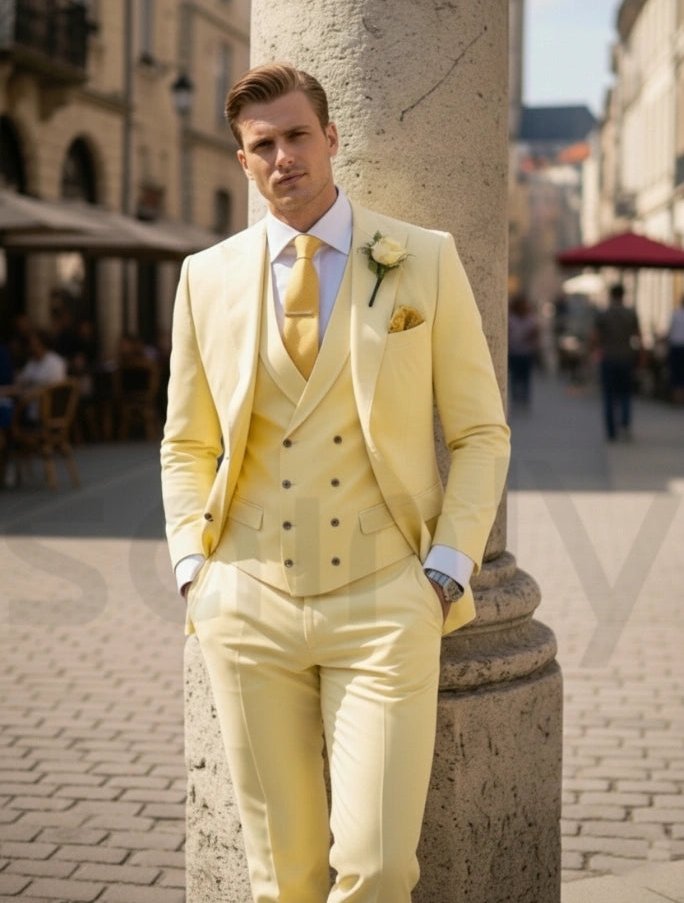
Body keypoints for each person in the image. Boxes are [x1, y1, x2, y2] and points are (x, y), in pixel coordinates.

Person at [160, 63, 511, 903]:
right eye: (263, 145)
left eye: (297, 136)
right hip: (246, 602)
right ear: (243, 161)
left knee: (380, 866)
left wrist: (447, 569)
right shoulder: (206, 276)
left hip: (386, 601)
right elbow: (185, 442)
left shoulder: (422, 258)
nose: (283, 157)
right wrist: (193, 571)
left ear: (331, 139)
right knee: (281, 875)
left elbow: (480, 433)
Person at [593, 283, 641, 441]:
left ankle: (611, 430)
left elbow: (595, 336)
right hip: (626, 357)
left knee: (609, 395)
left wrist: (593, 351)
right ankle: (625, 423)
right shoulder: (630, 313)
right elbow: (638, 336)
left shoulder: (604, 314)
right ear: (623, 295)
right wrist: (641, 357)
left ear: (611, 295)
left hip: (608, 357)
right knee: (626, 393)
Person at [507, 293, 539, 406]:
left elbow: (535, 333)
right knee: (515, 376)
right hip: (515, 352)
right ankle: (515, 398)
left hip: (526, 352)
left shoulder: (530, 318)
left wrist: (530, 338)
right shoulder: (511, 318)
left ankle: (525, 399)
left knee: (526, 377)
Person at [666, 293, 684, 404]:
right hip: (678, 346)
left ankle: (677, 398)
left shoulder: (676, 314)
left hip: (676, 347)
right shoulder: (675, 314)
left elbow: (670, 331)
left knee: (676, 372)